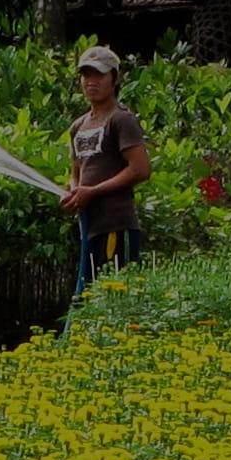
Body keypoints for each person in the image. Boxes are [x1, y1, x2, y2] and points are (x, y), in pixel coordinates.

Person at [61, 45, 150, 290]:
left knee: (113, 296)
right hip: (91, 228)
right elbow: (76, 170)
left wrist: (93, 192)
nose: (92, 81)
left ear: (116, 78)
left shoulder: (121, 119)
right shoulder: (78, 126)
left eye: (99, 74)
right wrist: (74, 190)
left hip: (116, 226)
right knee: (89, 296)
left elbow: (140, 169)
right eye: (86, 75)